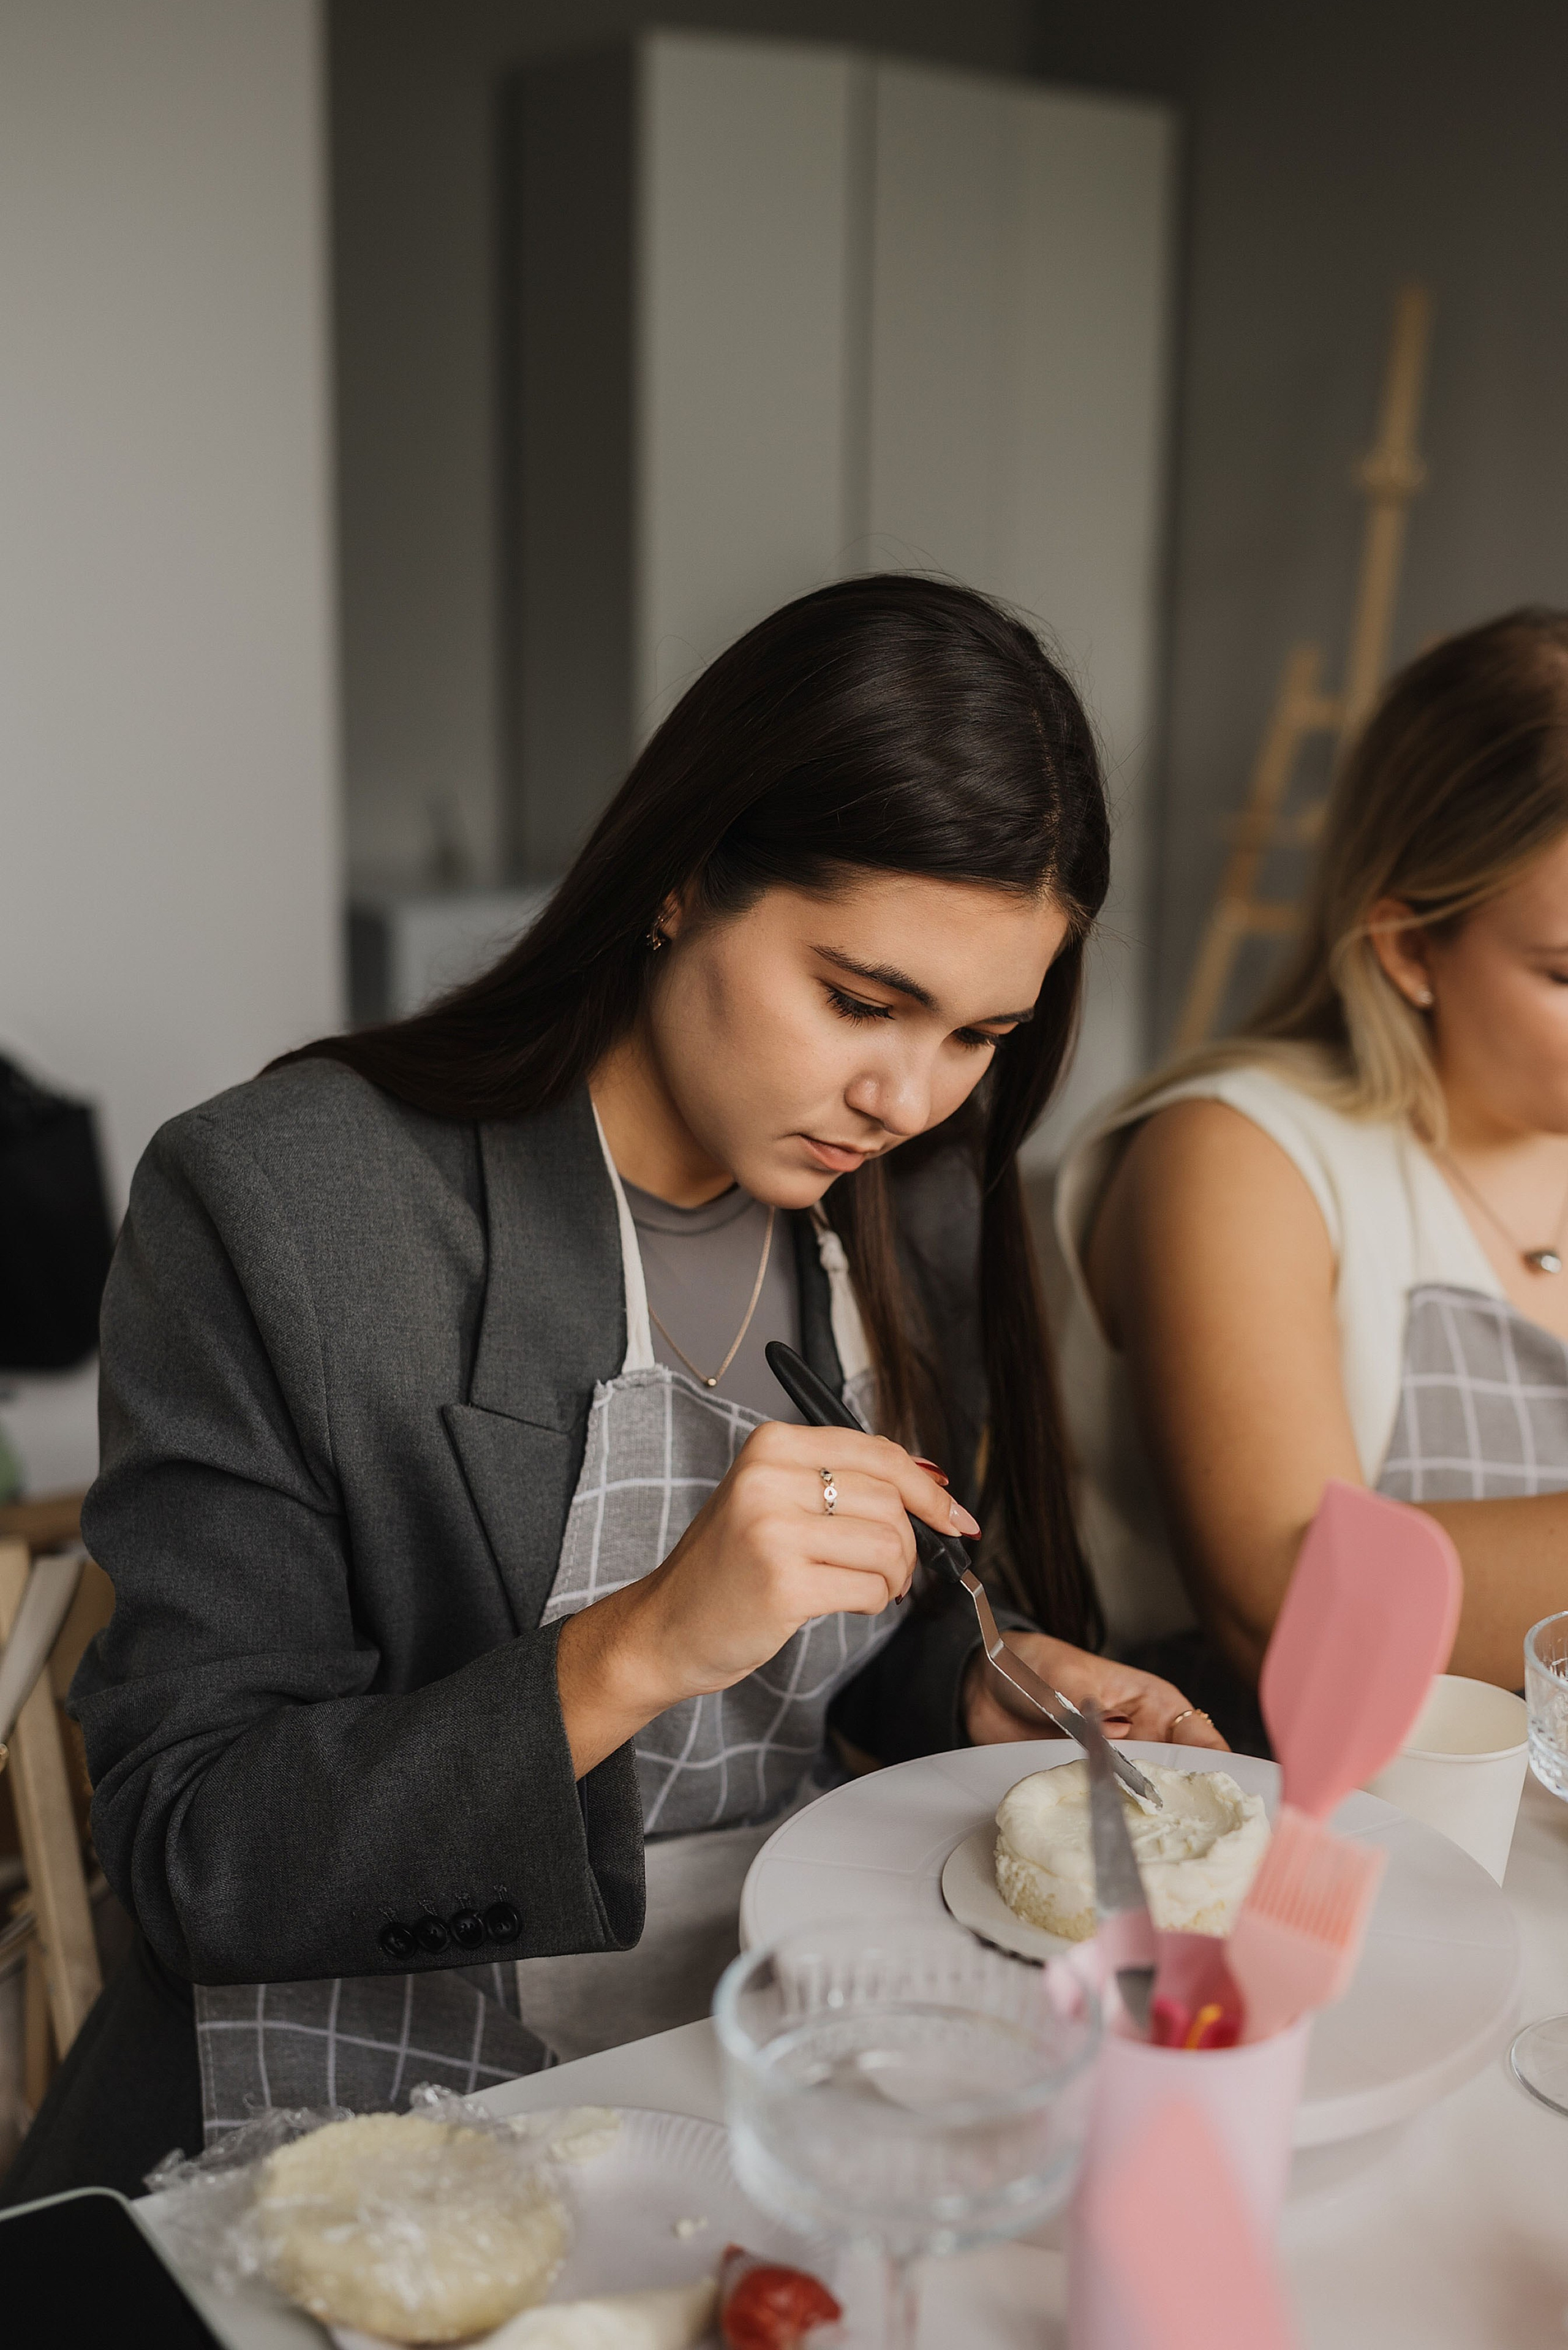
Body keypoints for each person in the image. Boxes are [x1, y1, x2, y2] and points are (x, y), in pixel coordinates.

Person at [4, 576, 1222, 2205]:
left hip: (760, 2067)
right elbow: (195, 1852)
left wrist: (968, 1685)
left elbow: (843, 1656)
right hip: (346, 2120)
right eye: (861, 1001)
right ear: (671, 885)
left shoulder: (911, 1198)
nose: (907, 1094)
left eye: (976, 1034)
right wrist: (640, 1645)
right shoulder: (289, 1210)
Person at [1054, 607, 1568, 1726]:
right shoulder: (1236, 1154)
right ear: (1410, 948)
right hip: (1269, 1822)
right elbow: (1288, 1606)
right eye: (1567, 974)